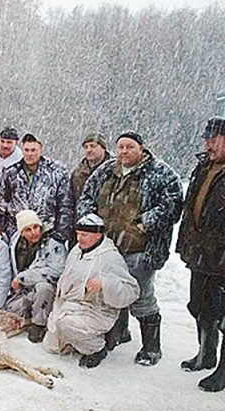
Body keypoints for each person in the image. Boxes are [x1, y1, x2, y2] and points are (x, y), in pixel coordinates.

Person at [78, 130, 183, 366]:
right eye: (121, 147)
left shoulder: (160, 173)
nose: (124, 152)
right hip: (108, 248)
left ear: (141, 148)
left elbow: (173, 204)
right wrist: (91, 222)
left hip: (140, 248)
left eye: (129, 147)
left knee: (141, 296)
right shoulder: (106, 170)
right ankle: (119, 333)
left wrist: (145, 223)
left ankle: (151, 347)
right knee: (110, 292)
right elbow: (86, 197)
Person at [43, 214, 140, 368]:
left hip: (96, 310)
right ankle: (79, 337)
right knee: (51, 346)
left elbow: (132, 291)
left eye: (85, 235)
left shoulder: (110, 257)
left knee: (65, 324)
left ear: (98, 235)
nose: (80, 238)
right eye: (78, 234)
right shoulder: (78, 249)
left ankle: (97, 349)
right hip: (72, 305)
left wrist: (105, 284)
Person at [176, 117, 225, 391]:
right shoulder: (204, 166)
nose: (207, 144)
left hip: (223, 258)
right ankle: (206, 354)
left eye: (213, 139)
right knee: (200, 306)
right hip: (202, 254)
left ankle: (223, 372)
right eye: (206, 138)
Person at [4, 209, 67, 343]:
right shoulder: (16, 243)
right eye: (28, 229)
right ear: (22, 232)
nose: (34, 232)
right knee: (7, 314)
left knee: (43, 288)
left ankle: (39, 324)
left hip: (47, 291)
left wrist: (23, 277)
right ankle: (27, 317)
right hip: (23, 291)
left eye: (36, 227)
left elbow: (57, 271)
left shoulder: (53, 244)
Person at [0, 133, 73, 243]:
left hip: (47, 234)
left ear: (41, 150)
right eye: (26, 150)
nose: (29, 154)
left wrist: (61, 234)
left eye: (33, 150)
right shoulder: (11, 173)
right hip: (17, 235)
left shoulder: (57, 173)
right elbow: (2, 203)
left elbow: (65, 206)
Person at [71, 132, 112, 203]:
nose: (89, 150)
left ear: (103, 148)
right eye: (86, 147)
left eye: (93, 146)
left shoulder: (114, 171)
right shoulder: (77, 174)